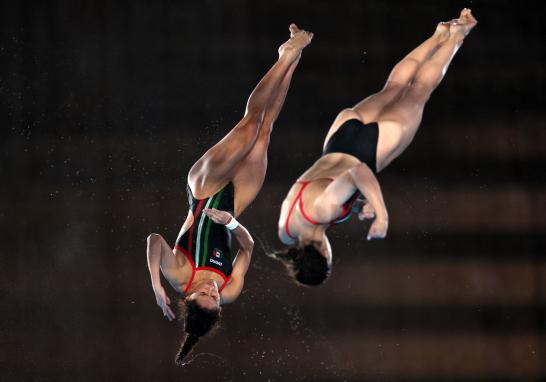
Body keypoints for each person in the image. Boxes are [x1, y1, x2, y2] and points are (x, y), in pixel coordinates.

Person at [146, 24, 313, 365]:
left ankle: (286, 54)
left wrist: (154, 283)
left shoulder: (180, 276)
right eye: (215, 299)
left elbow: (154, 240)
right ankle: (294, 60)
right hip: (233, 203)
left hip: (204, 189)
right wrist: (232, 223)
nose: (212, 291)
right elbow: (249, 246)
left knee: (250, 125)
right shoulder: (230, 289)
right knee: (265, 132)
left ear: (188, 297)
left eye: (204, 295)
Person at [274, 9, 477, 286]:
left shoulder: (323, 212)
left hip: (368, 149)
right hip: (339, 137)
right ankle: (438, 35)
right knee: (394, 86)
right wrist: (358, 206)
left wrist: (381, 214)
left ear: (324, 254)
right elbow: (328, 189)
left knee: (419, 91)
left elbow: (358, 172)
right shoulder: (287, 230)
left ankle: (456, 35)